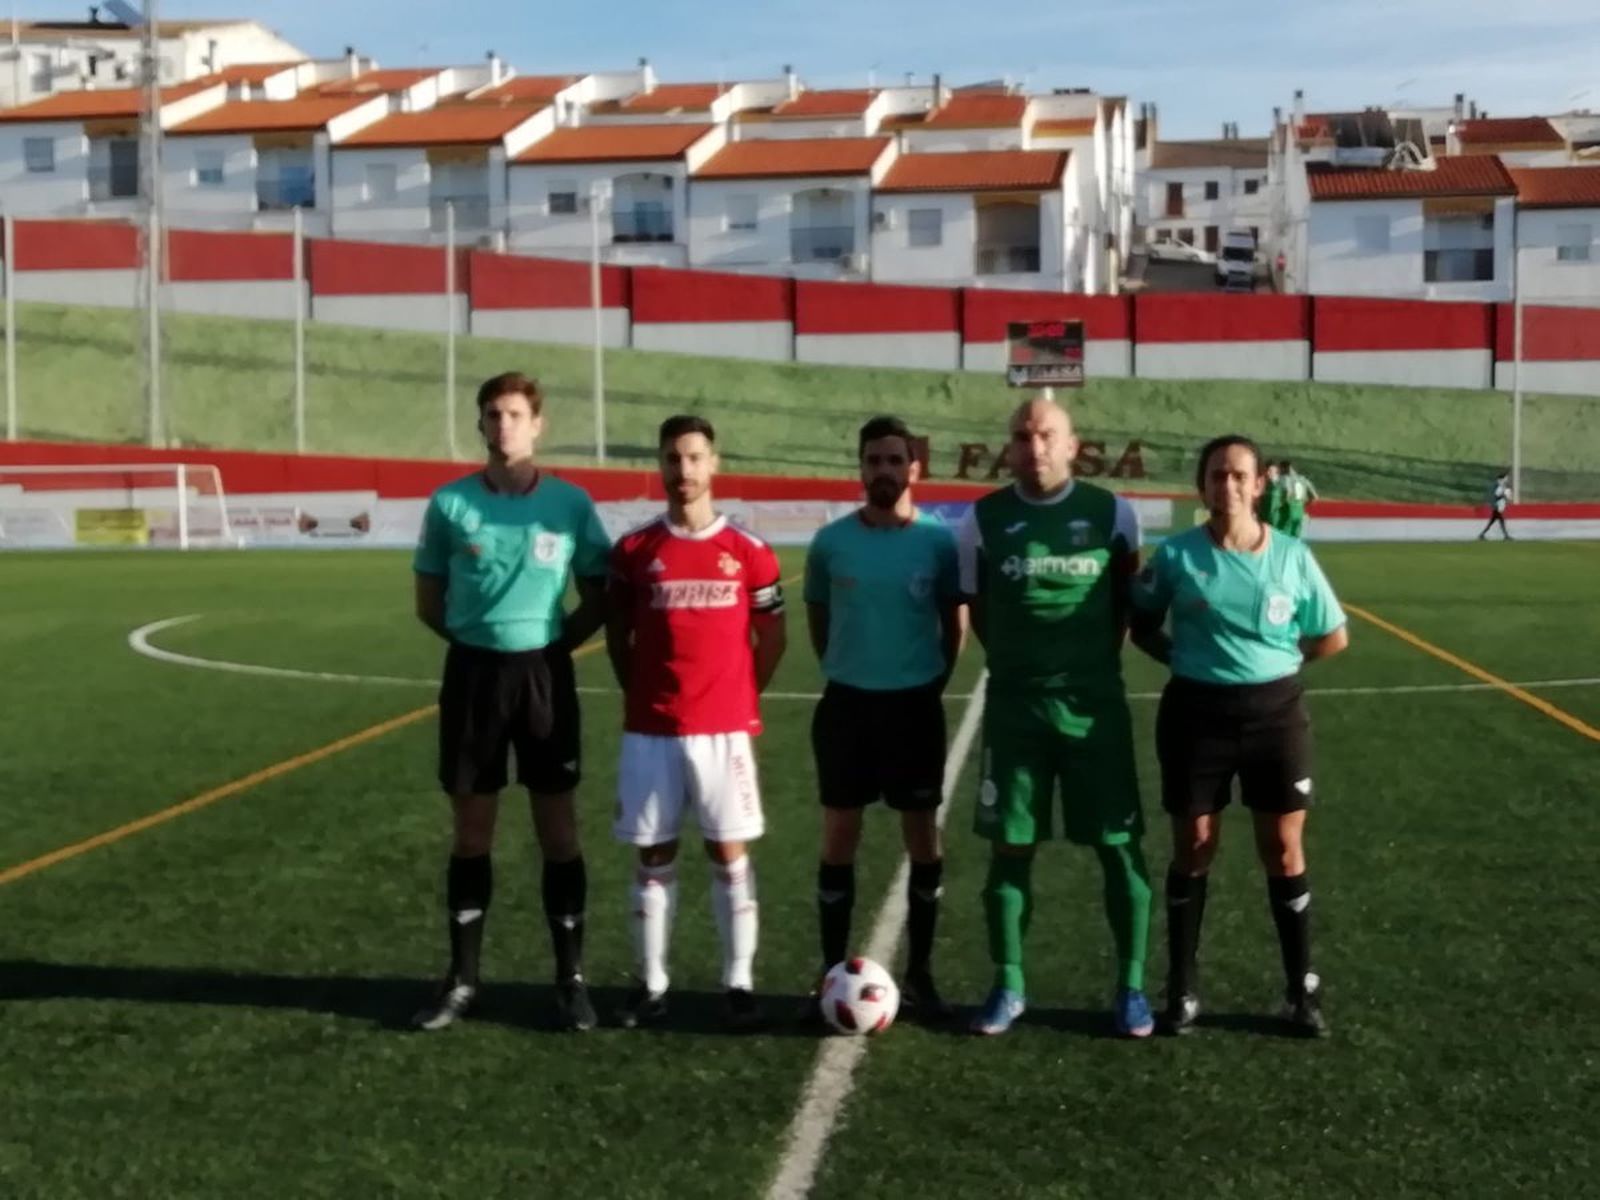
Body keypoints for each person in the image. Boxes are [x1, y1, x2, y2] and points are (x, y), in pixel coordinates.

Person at [411, 371, 611, 1032]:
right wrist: (480, 642)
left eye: (516, 415)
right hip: (473, 677)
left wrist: (553, 644)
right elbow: (429, 602)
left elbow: (600, 592)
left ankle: (571, 981)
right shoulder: (449, 505)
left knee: (558, 831)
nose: (504, 426)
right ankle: (463, 980)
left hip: (544, 677)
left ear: (537, 424)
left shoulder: (570, 504)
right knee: (473, 833)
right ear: (481, 424)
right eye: (493, 415)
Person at [1131, 434, 1349, 1037]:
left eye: (1238, 475)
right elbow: (1139, 621)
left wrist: (1282, 662)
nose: (1226, 485)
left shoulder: (1292, 558)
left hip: (1275, 716)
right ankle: (1181, 988)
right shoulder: (1176, 558)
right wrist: (1177, 657)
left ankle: (1301, 990)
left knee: (1281, 848)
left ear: (1258, 486)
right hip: (1195, 715)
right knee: (1194, 846)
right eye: (1216, 475)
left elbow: (1332, 636)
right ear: (1201, 486)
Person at [957, 397, 1155, 1038]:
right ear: (1007, 447)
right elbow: (979, 610)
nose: (1033, 445)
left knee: (1118, 848)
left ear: (1073, 445)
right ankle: (1009, 984)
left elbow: (1127, 603)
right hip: (1016, 712)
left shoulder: (1113, 513)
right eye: (1021, 435)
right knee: (1011, 849)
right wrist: (1022, 667)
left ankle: (1131, 987)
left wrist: (1086, 666)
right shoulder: (982, 520)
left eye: (1046, 434)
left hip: (1094, 710)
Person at [606, 415, 788, 1031]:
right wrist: (640, 691)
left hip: (724, 730)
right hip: (651, 729)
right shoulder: (635, 552)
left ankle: (738, 982)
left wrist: (741, 694)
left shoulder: (749, 553)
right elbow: (618, 634)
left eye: (693, 458)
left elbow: (772, 633)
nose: (682, 471)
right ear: (659, 467)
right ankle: (651, 984)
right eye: (672, 459)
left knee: (728, 854)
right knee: (653, 856)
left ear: (713, 464)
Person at [803, 416, 964, 1020]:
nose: (885, 471)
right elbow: (818, 620)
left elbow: (954, 626)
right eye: (874, 461)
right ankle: (827, 970)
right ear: (861, 467)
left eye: (896, 461)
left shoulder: (938, 543)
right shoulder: (831, 543)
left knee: (922, 836)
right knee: (840, 836)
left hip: (914, 705)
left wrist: (928, 683)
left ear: (914, 469)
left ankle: (920, 971)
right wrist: (848, 669)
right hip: (847, 705)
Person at [1278, 460, 1317, 538]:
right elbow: (1315, 497)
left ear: (1285, 468)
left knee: (1283, 538)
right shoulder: (1303, 479)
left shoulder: (1284, 479)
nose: (1279, 472)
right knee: (1296, 538)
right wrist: (1303, 505)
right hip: (1300, 512)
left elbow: (1287, 494)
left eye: (1280, 469)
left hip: (1287, 512)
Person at [1478, 470, 1513, 541]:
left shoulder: (1502, 485)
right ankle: (1506, 536)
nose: (1507, 479)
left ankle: (1482, 534)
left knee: (1493, 522)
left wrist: (1505, 497)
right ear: (1503, 478)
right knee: (1500, 521)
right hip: (1496, 507)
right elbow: (1496, 495)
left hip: (1497, 507)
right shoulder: (1498, 485)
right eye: (1506, 478)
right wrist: (1504, 495)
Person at [1258, 461, 1283, 530]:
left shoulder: (1282, 485)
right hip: (1263, 519)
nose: (1268, 473)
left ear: (1277, 472)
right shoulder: (1262, 484)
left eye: (1270, 471)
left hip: (1277, 521)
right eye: (1267, 470)